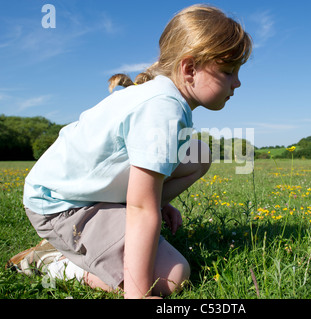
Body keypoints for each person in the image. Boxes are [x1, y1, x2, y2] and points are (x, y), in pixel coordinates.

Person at [22, 4, 252, 299]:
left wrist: (153, 198)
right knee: (171, 277)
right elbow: (141, 210)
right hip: (61, 206)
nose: (238, 82)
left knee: (199, 154)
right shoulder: (162, 108)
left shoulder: (164, 98)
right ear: (189, 68)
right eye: (228, 71)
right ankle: (57, 262)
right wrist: (138, 295)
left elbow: (140, 175)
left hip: (87, 193)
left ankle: (102, 237)